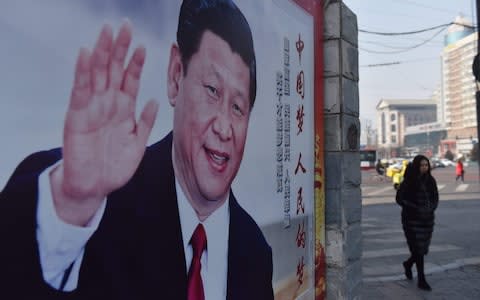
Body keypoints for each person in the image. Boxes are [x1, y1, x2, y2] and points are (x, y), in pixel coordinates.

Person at [0, 1, 274, 299]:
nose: (224, 127)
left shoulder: (255, 253)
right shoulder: (100, 205)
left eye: (237, 107)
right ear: (175, 75)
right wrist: (71, 202)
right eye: (211, 89)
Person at [396, 155, 439, 291]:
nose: (424, 167)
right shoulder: (409, 181)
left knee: (421, 250)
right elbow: (399, 199)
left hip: (427, 221)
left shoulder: (431, 181)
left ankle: (408, 264)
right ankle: (421, 279)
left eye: (426, 165)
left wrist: (430, 208)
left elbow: (435, 198)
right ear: (416, 166)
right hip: (411, 220)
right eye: (422, 165)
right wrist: (414, 208)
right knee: (418, 249)